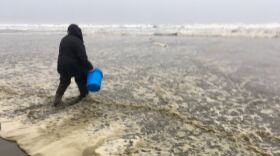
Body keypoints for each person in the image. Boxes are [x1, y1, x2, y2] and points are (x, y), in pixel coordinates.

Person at [53, 24, 93, 106]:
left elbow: (62, 54)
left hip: (61, 65)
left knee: (64, 81)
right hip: (73, 66)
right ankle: (84, 96)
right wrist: (90, 67)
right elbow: (83, 58)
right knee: (81, 78)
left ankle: (56, 100)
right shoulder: (78, 41)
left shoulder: (64, 39)